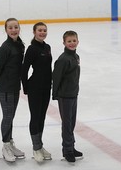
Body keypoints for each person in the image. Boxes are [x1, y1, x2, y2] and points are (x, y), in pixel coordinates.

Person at [0, 18, 25, 162]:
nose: (13, 30)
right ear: (6, 30)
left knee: (11, 115)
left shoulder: (20, 45)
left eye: (16, 27)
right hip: (5, 87)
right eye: (10, 28)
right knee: (7, 116)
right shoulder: (4, 48)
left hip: (14, 85)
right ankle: (5, 145)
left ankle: (10, 143)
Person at [21, 22, 52, 162]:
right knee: (35, 117)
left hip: (46, 88)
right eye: (39, 30)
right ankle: (36, 148)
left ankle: (40, 146)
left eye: (44, 30)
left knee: (42, 117)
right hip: (35, 88)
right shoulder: (32, 49)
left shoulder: (47, 47)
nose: (42, 32)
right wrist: (26, 87)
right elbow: (24, 69)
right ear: (34, 32)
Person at [52, 30, 83, 163]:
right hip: (65, 96)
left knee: (72, 123)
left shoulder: (75, 57)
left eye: (74, 41)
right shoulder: (63, 59)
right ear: (64, 43)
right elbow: (56, 77)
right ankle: (67, 150)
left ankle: (71, 146)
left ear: (78, 41)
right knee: (67, 124)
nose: (72, 43)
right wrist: (56, 95)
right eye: (69, 41)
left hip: (73, 94)